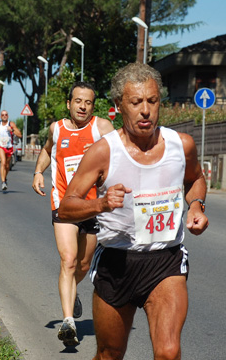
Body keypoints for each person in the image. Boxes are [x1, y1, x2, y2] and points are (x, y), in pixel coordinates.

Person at [59, 63, 208, 359]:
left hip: (165, 259)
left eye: (152, 101)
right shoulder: (103, 151)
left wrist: (196, 205)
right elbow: (66, 208)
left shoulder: (182, 145)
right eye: (136, 102)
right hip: (117, 261)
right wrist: (100, 204)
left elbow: (195, 179)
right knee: (110, 354)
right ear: (118, 105)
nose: (145, 110)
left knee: (168, 352)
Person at [32, 82, 114, 346]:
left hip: (92, 207)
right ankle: (68, 323)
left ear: (93, 105)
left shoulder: (101, 128)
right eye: (78, 101)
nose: (83, 106)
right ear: (69, 103)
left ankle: (73, 289)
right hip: (64, 205)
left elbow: (120, 154)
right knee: (68, 260)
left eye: (88, 102)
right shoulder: (57, 129)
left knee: (83, 265)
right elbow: (46, 150)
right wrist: (37, 172)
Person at [0, 110, 22, 191]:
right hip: (0, 146)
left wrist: (12, 130)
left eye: (6, 115)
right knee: (3, 162)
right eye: (3, 115)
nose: (4, 116)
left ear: (8, 116)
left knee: (7, 166)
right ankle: (3, 182)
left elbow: (19, 134)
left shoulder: (11, 124)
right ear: (0, 116)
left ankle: (5, 178)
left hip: (9, 147)